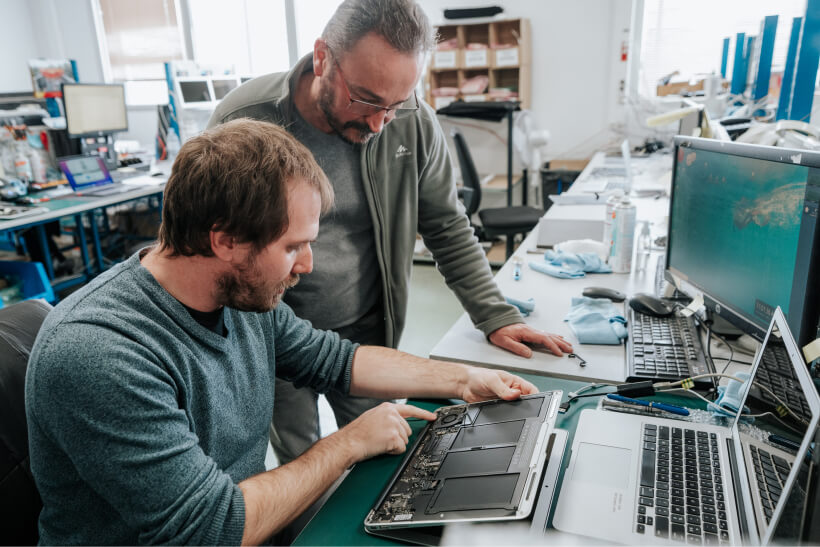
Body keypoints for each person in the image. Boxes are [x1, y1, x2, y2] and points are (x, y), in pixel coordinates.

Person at [25, 119, 540, 545]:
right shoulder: (101, 352)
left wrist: (463, 379)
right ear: (225, 240)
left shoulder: (239, 294)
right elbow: (209, 529)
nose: (308, 265)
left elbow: (334, 359)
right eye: (293, 247)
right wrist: (346, 444)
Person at [208, 0, 572, 465]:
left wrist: (496, 316)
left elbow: (446, 224)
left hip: (365, 328)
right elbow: (212, 243)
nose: (380, 123)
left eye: (395, 105)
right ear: (323, 58)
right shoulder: (245, 118)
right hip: (272, 333)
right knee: (302, 461)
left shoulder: (412, 122)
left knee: (380, 455)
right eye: (365, 99)